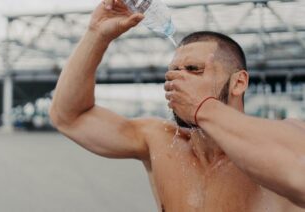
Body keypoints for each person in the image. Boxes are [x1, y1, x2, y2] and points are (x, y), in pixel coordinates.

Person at [49, 0, 305, 211]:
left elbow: (297, 169)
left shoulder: (280, 143)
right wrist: (96, 35)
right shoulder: (160, 141)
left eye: (194, 70)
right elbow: (69, 116)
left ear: (238, 83)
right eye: (173, 72)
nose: (177, 79)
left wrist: (202, 108)